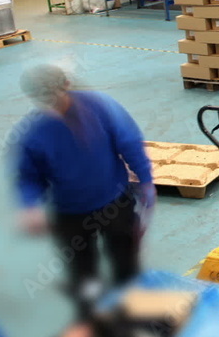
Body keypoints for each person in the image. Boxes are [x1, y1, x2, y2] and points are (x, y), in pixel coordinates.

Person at [14, 65, 155, 319]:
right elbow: (28, 176)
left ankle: (131, 311)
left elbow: (130, 143)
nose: (51, 105)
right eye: (42, 99)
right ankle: (92, 321)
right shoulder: (35, 131)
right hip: (70, 214)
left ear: (66, 85)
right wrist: (30, 205)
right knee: (84, 274)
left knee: (125, 261)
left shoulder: (101, 108)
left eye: (53, 96)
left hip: (114, 203)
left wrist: (146, 181)